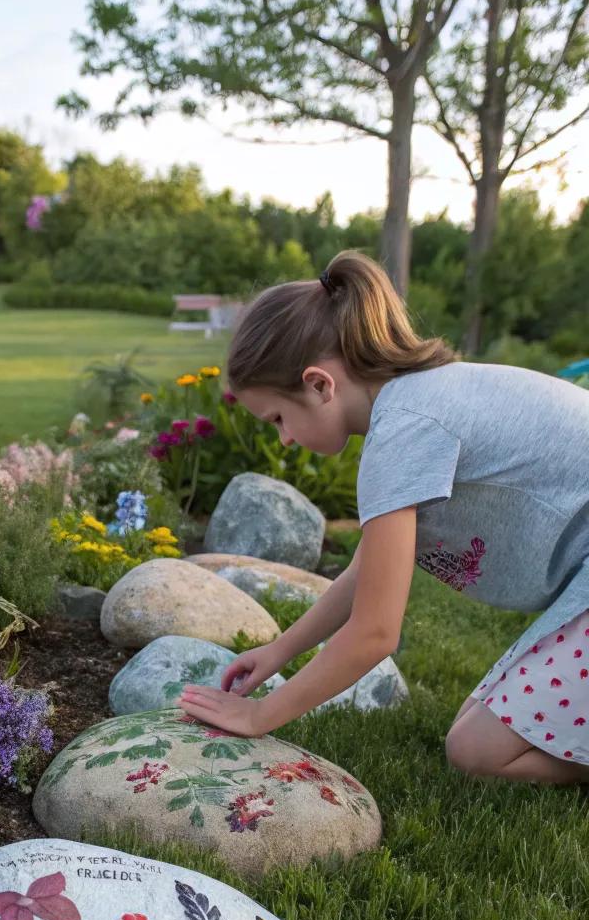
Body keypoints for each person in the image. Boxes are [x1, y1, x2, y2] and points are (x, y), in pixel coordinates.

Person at [177, 251, 589, 784]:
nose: (283, 437)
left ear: (320, 384)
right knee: (480, 724)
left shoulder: (404, 429)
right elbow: (367, 574)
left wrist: (260, 715)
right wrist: (280, 651)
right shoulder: (416, 403)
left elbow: (375, 632)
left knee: (478, 752)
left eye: (278, 417)